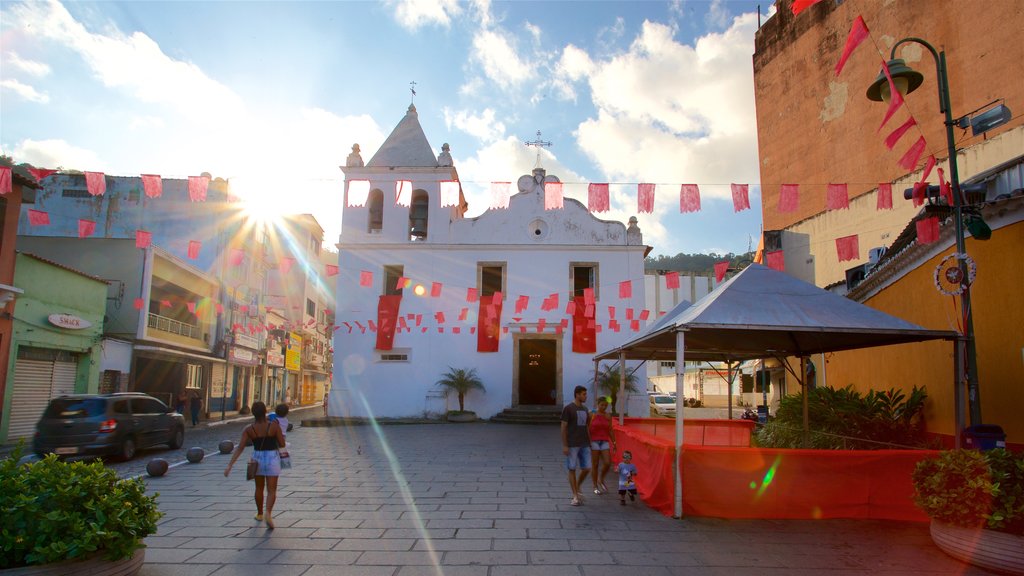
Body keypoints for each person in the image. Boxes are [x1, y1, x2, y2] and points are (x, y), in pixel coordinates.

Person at [224, 401, 286, 528]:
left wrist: (230, 465)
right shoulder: (274, 426)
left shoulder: (249, 429)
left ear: (253, 413)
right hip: (272, 457)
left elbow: (240, 447)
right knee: (271, 489)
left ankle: (259, 513)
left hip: (256, 457)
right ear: (265, 412)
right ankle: (268, 513)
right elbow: (282, 444)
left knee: (259, 488)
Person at [560, 385, 591, 506]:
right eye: (583, 394)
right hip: (572, 443)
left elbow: (587, 426)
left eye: (586, 394)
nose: (585, 396)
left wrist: (590, 441)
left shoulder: (585, 409)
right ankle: (575, 495)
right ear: (577, 394)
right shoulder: (568, 409)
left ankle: (577, 486)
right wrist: (565, 445)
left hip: (584, 443)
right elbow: (563, 427)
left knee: (587, 468)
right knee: (572, 468)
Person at [589, 396, 615, 494]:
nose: (604, 407)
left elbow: (610, 430)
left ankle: (601, 479)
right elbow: (587, 427)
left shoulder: (608, 416)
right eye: (602, 405)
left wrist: (614, 442)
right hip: (594, 441)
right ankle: (595, 485)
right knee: (595, 464)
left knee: (608, 463)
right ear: (598, 404)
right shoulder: (592, 414)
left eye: (605, 405)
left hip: (604, 440)